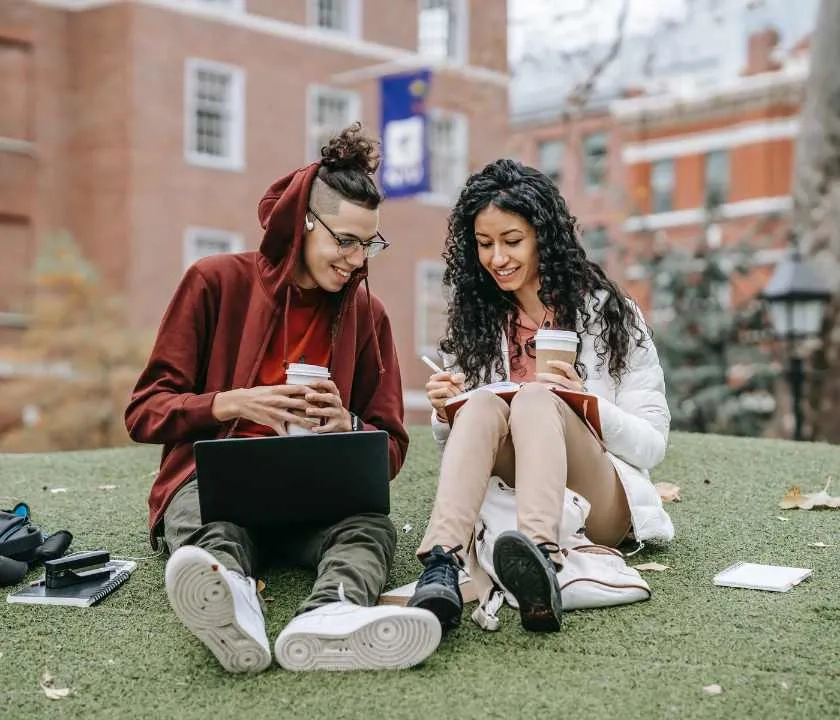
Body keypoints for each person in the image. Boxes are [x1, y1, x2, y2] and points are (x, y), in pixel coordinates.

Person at [125, 124, 441, 673]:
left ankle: (330, 615)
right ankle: (235, 607)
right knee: (206, 525)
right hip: (217, 488)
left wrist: (349, 426)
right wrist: (233, 403)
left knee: (368, 528)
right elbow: (144, 410)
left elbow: (390, 445)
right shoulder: (214, 282)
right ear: (302, 224)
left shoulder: (370, 314)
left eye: (369, 244)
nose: (356, 259)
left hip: (318, 496)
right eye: (344, 240)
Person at [407, 159, 673, 632]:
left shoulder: (608, 314)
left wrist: (585, 404)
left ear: (543, 239)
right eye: (484, 244)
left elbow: (652, 445)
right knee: (485, 403)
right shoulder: (477, 322)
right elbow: (463, 456)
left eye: (512, 241)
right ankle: (443, 563)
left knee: (534, 399)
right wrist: (446, 412)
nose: (497, 258)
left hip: (600, 499)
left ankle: (540, 559)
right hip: (510, 493)